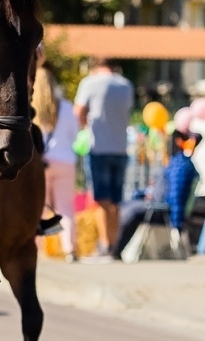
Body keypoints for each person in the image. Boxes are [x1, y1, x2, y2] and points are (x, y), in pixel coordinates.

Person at [73, 59, 134, 256]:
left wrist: (84, 126)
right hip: (121, 147)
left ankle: (105, 245)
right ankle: (115, 246)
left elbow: (78, 112)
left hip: (98, 146)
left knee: (101, 200)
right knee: (116, 202)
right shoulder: (126, 85)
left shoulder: (90, 83)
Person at [34, 61, 79, 258]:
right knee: (65, 208)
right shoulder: (67, 108)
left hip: (40, 163)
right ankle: (69, 249)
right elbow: (75, 135)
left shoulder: (31, 108)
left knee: (37, 208)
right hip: (65, 161)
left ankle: (34, 248)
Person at [164, 130, 200, 236]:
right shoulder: (181, 165)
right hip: (168, 212)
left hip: (172, 213)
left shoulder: (181, 164)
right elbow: (176, 196)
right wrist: (176, 223)